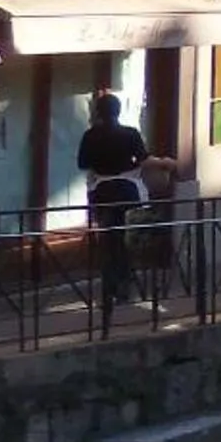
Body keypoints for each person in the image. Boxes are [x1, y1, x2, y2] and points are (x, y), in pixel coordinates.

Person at [79, 89, 149, 317]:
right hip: (129, 191)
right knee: (127, 240)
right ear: (118, 111)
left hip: (103, 192)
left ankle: (108, 291)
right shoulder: (131, 133)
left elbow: (82, 164)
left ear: (98, 112)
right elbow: (143, 159)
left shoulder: (90, 136)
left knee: (108, 241)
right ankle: (126, 288)